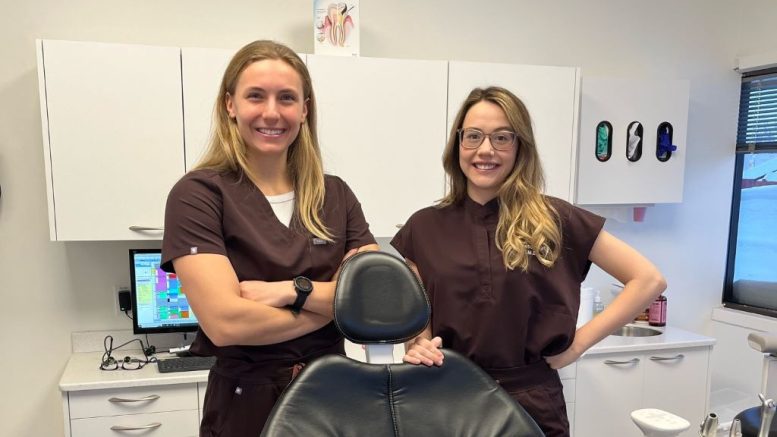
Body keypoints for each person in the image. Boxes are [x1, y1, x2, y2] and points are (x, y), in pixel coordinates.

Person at [391, 86, 666, 436]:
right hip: (449, 396)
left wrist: (579, 344)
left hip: (532, 403)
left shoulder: (556, 218)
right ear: (458, 143)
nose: (485, 150)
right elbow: (420, 327)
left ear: (520, 146)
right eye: (473, 136)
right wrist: (418, 347)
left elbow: (648, 279)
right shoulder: (424, 226)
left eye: (502, 137)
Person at [161, 40, 378, 436]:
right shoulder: (198, 195)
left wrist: (292, 291)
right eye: (255, 96)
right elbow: (226, 323)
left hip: (336, 399)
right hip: (247, 408)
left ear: (305, 110)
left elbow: (377, 301)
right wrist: (338, 305)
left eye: (287, 98)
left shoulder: (336, 195)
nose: (272, 112)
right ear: (230, 104)